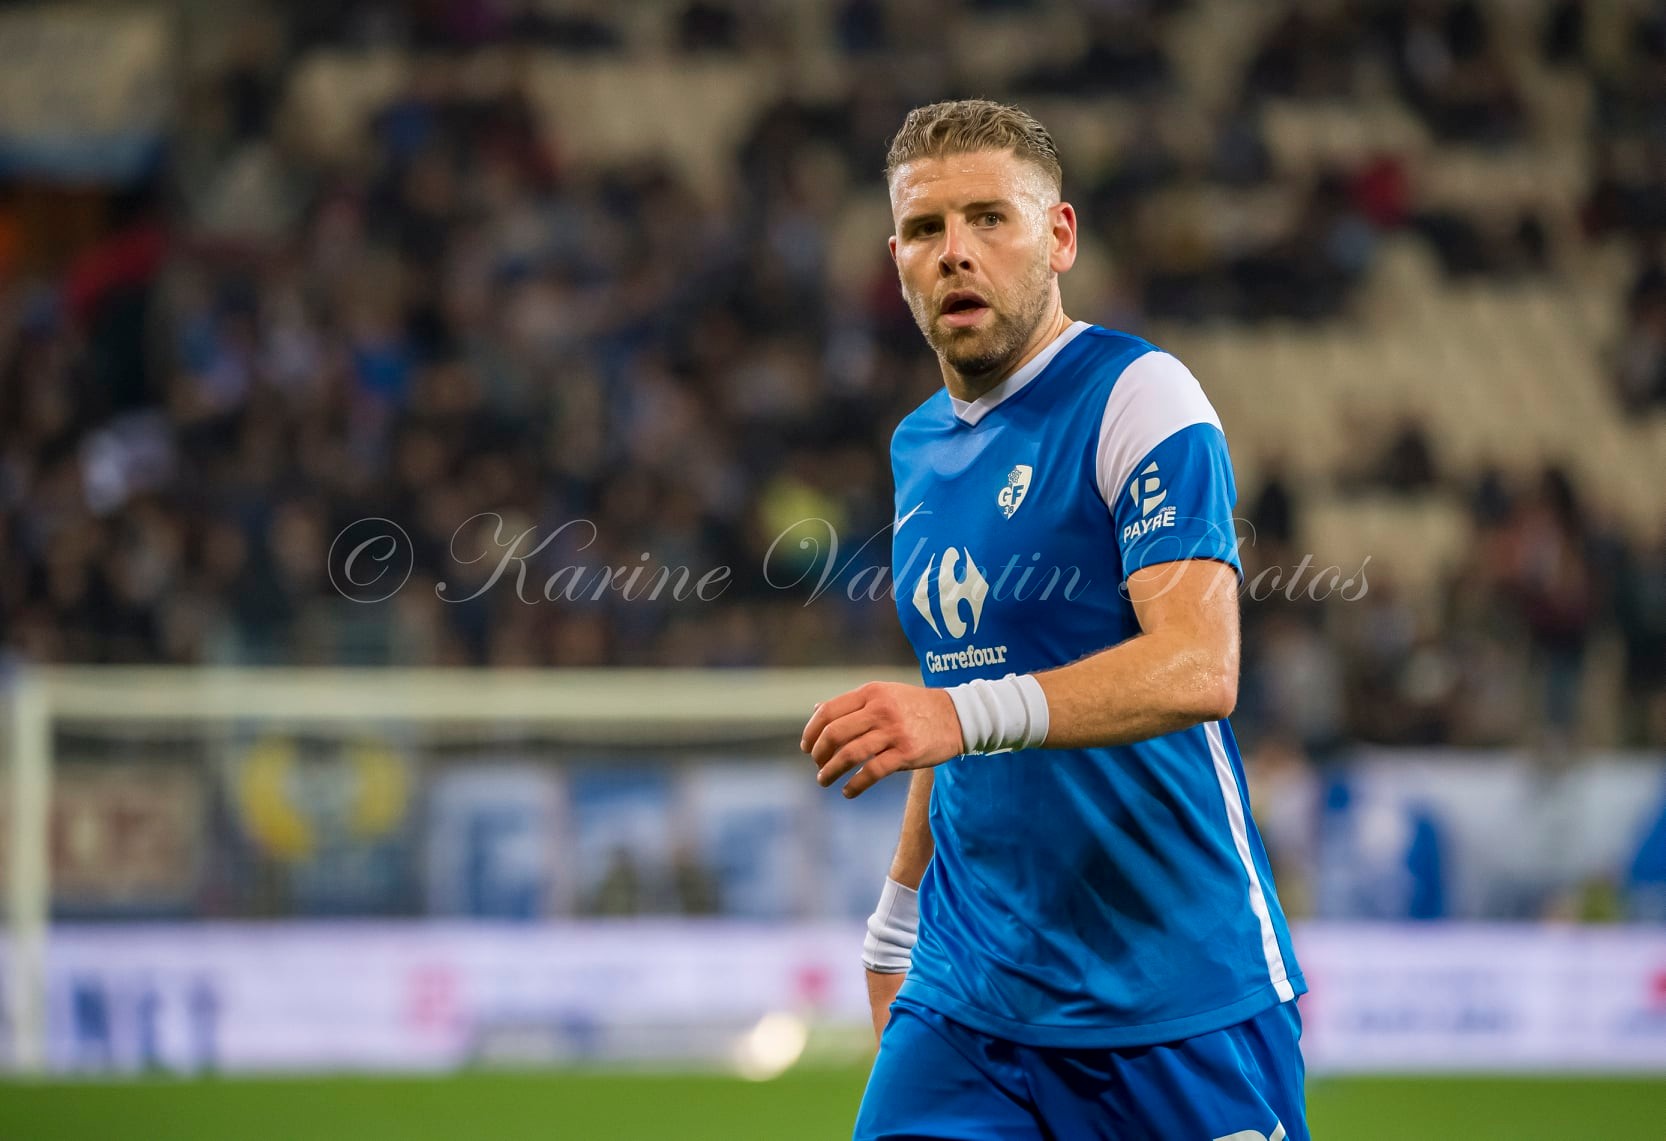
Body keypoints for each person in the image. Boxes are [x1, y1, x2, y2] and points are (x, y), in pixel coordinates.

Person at [800, 99, 1308, 1141]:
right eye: (927, 229)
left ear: (1058, 237)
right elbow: (956, 691)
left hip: (1172, 991)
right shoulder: (915, 448)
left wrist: (957, 716)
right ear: (893, 256)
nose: (955, 254)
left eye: (990, 218)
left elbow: (1196, 668)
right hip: (971, 995)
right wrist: (897, 917)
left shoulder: (1139, 396)